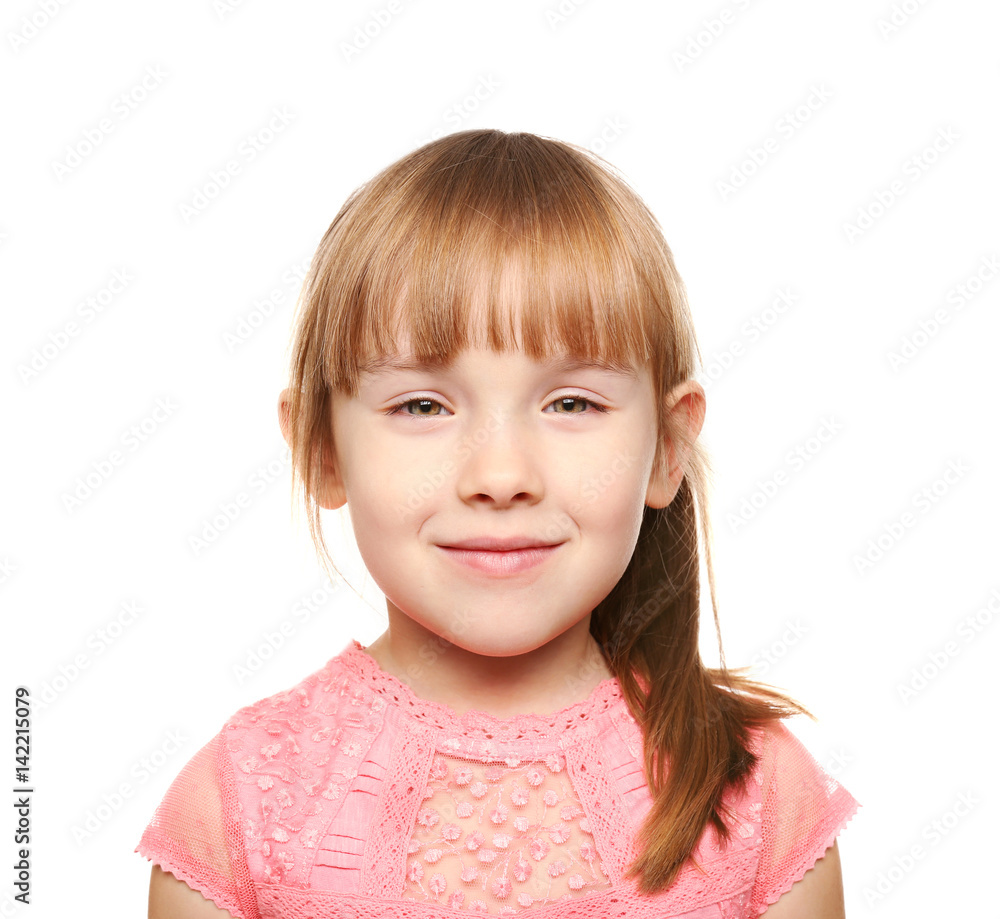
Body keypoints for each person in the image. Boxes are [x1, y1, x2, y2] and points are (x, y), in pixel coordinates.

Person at [137, 129, 858, 918]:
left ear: (667, 447)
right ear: (322, 448)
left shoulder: (758, 797)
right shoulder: (238, 809)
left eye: (571, 402)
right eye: (422, 406)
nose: (502, 476)